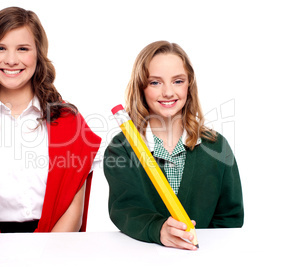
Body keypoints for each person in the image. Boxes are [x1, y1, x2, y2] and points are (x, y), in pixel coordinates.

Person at [0, 7, 101, 251]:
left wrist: (43, 257)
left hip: (55, 248)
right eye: (0, 48)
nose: (11, 60)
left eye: (23, 49)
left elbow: (72, 214)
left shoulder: (70, 123)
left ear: (38, 55)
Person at [103, 41, 243, 250]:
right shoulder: (121, 148)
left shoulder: (216, 146)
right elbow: (125, 210)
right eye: (155, 83)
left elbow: (229, 218)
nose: (168, 92)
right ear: (140, 87)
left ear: (189, 85)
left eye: (178, 81)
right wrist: (158, 230)